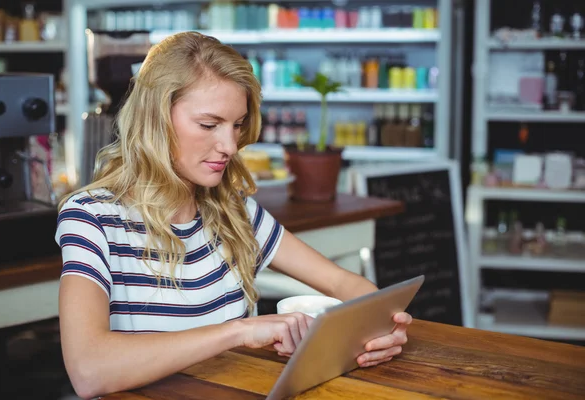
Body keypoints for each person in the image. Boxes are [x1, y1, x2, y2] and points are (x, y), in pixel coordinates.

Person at [56, 32, 412, 399]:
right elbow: (89, 371)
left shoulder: (234, 212)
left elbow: (345, 284)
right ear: (155, 118)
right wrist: (239, 331)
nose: (229, 146)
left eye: (237, 125)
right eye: (209, 125)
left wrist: (380, 330)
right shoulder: (91, 220)